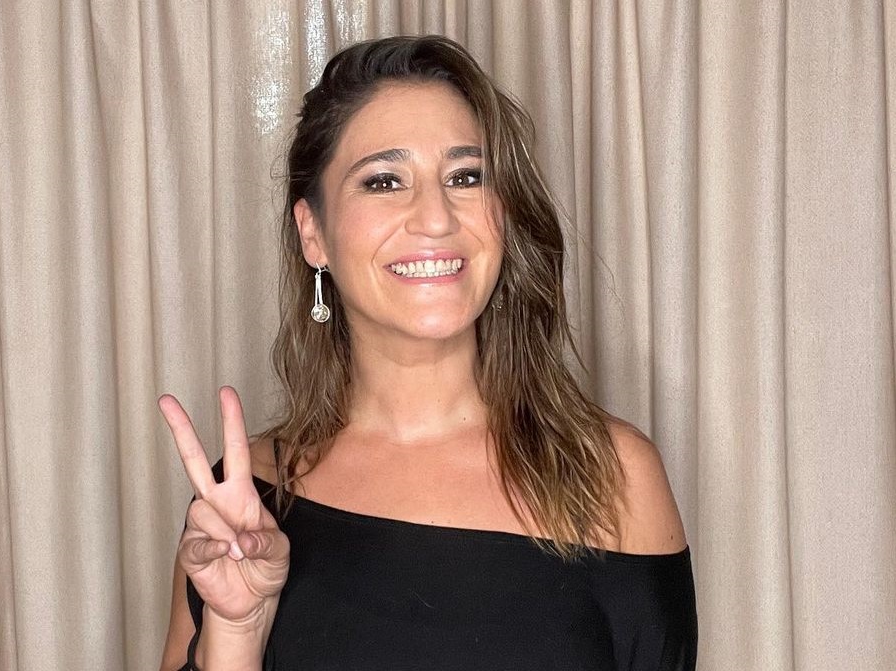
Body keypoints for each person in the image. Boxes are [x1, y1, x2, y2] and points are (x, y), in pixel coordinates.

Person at [158, 35, 697, 671]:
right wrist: (236, 629)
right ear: (313, 233)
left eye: (465, 177)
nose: (436, 218)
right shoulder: (243, 505)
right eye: (384, 181)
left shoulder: (612, 476)